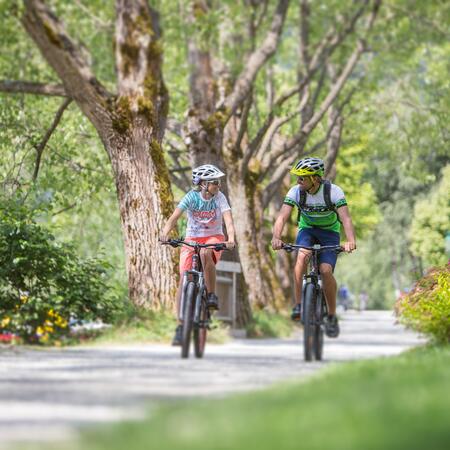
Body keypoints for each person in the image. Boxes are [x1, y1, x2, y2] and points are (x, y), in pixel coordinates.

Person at [271, 157, 356, 338]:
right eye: (298, 178)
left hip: (329, 233)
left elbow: (346, 219)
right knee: (302, 257)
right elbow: (282, 217)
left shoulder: (334, 192)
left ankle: (331, 316)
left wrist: (350, 240)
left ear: (315, 178)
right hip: (307, 230)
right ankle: (299, 305)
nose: (298, 181)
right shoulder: (296, 192)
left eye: (302, 178)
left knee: (325, 270)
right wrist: (276, 237)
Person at [161, 164, 236, 346]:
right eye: (214, 182)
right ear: (202, 184)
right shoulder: (191, 197)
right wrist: (164, 234)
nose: (218, 185)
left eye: (218, 182)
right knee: (184, 280)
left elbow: (228, 220)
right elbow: (173, 218)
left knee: (205, 252)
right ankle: (181, 326)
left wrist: (231, 238)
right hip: (192, 238)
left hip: (213, 237)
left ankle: (211, 295)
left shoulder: (219, 198)